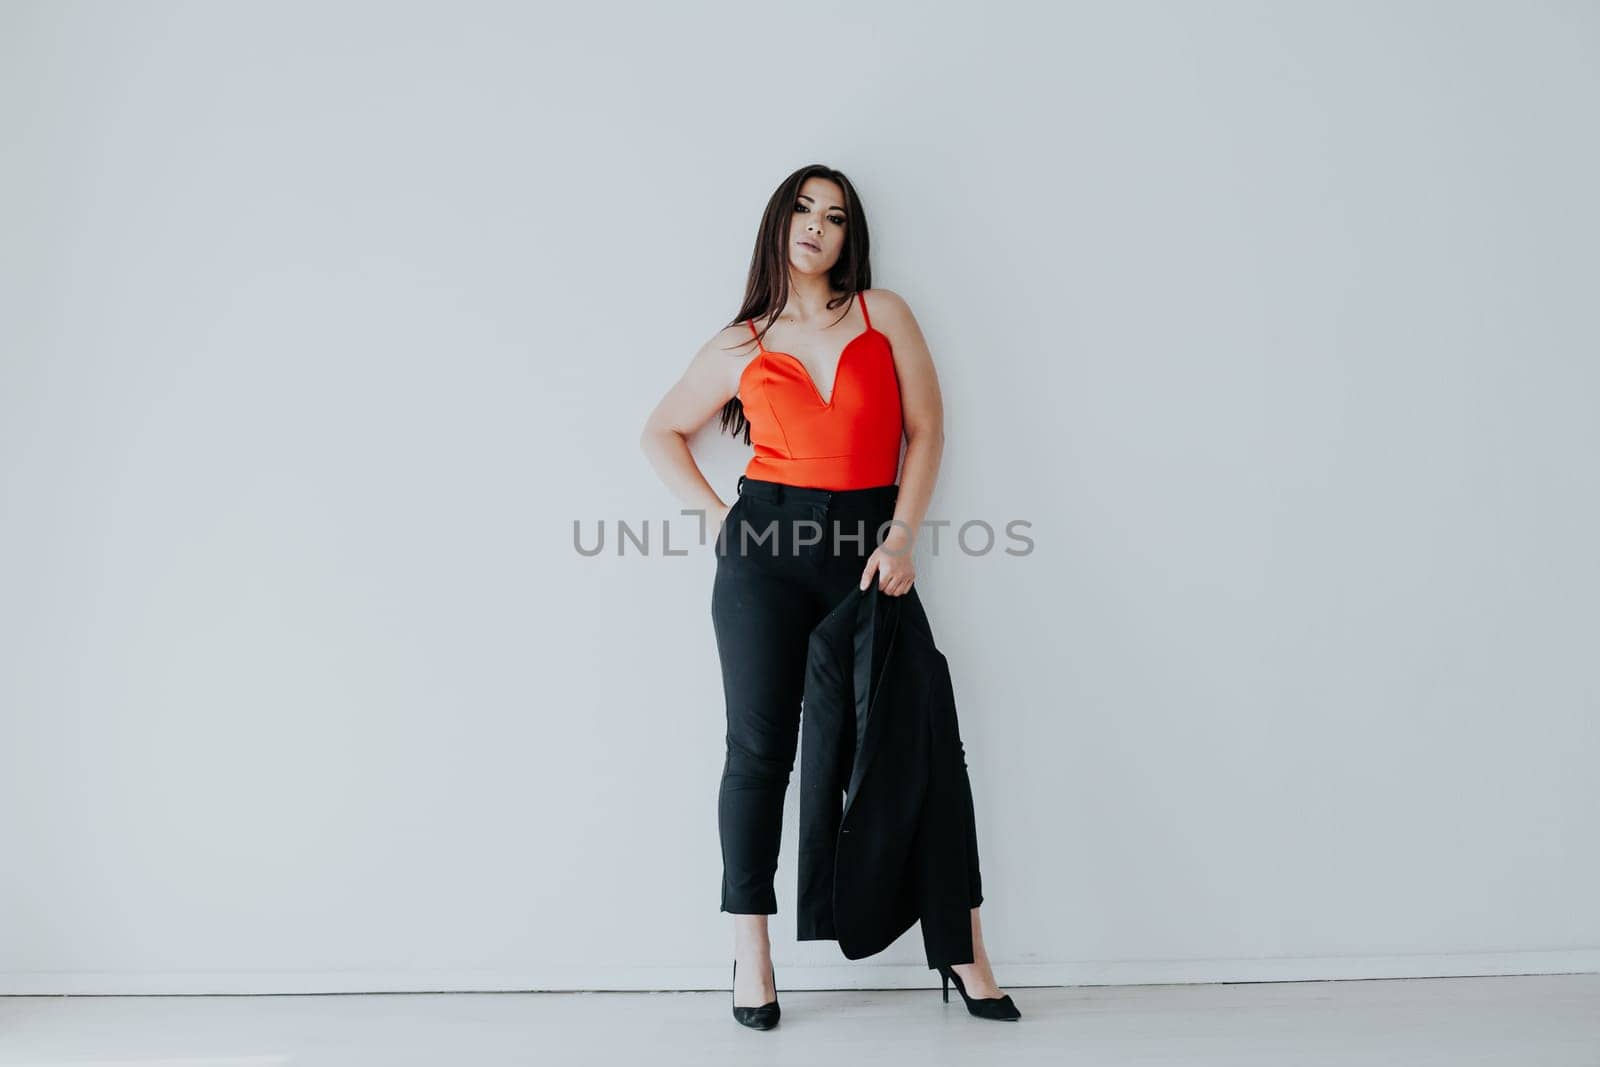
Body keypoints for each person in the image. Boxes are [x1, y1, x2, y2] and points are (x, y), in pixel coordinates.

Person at [639, 164, 1016, 1027]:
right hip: (764, 553)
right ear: (780, 223)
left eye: (835, 216)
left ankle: (964, 949)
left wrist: (901, 535)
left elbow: (927, 431)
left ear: (850, 237)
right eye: (804, 208)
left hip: (868, 551)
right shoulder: (741, 341)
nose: (817, 225)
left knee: (923, 741)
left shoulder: (884, 315)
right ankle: (752, 955)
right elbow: (659, 430)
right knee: (759, 752)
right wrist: (722, 521)